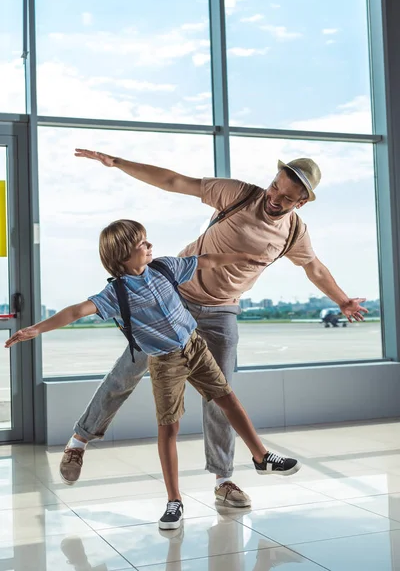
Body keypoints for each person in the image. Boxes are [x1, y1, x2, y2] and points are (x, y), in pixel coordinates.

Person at [63, 150, 367, 508]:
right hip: (173, 300)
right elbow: (176, 181)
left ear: (301, 202)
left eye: (286, 197)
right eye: (274, 188)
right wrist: (120, 164)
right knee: (126, 373)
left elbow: (313, 267)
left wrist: (342, 300)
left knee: (221, 396)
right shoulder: (237, 194)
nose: (274, 198)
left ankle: (224, 480)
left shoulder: (294, 232)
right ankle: (79, 443)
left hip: (222, 311)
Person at [5, 219, 301, 529]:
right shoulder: (115, 294)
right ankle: (174, 500)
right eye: (141, 245)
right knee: (168, 429)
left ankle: (261, 456)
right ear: (122, 258)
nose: (149, 246)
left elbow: (207, 261)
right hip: (165, 362)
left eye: (147, 241)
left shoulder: (164, 268)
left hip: (195, 346)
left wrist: (243, 259)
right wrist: (35, 329)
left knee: (228, 400)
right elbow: (77, 311)